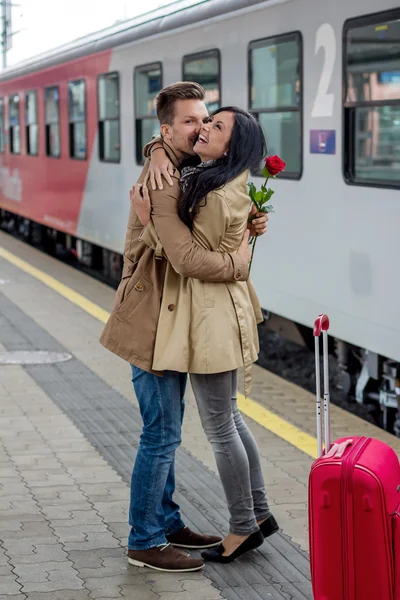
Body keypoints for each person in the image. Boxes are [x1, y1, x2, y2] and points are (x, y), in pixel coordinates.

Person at [99, 82, 269, 573]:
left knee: (169, 431)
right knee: (161, 434)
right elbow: (186, 256)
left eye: (207, 119)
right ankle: (145, 539)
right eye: (191, 121)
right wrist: (238, 260)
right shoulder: (163, 177)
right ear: (167, 129)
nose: (200, 128)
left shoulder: (186, 166)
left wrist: (251, 222)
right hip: (152, 320)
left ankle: (167, 522)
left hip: (175, 321)